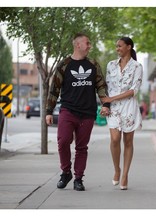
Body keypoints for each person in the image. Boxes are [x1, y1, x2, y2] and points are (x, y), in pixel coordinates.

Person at [45, 32, 110, 191]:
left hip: (87, 113)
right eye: (87, 43)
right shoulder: (64, 65)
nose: (89, 46)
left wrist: (106, 104)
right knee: (63, 141)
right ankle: (66, 172)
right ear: (77, 45)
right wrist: (49, 110)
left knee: (82, 147)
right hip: (68, 110)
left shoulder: (93, 65)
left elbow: (101, 86)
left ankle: (78, 178)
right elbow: (54, 89)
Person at [101, 36, 143, 190]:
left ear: (129, 47)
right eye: (116, 46)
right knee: (114, 139)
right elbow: (106, 88)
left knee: (128, 142)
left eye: (119, 46)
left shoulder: (137, 66)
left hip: (129, 107)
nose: (117, 49)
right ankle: (117, 169)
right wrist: (106, 104)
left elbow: (134, 90)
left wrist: (111, 98)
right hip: (113, 108)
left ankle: (125, 174)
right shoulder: (111, 65)